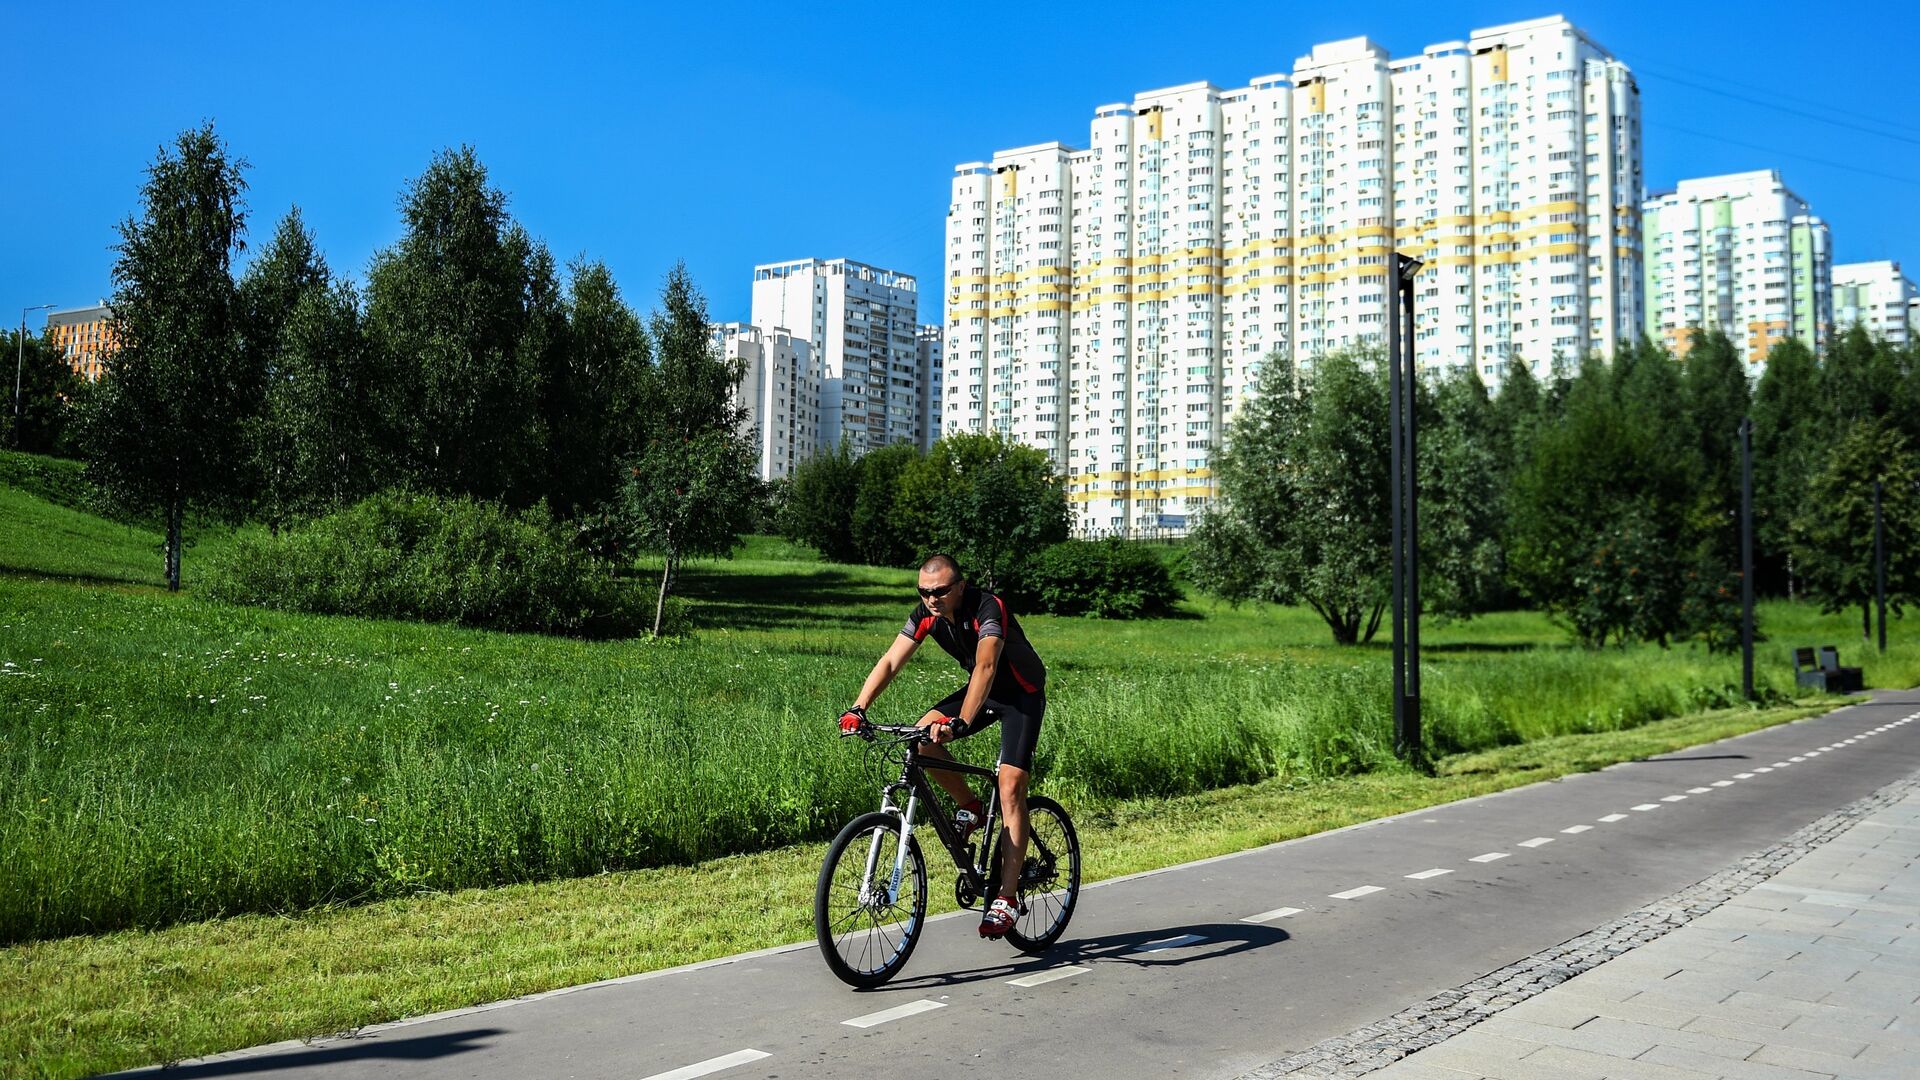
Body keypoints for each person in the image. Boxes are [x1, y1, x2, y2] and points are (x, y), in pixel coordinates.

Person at [838, 553, 1048, 939]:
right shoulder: (925, 615)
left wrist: (960, 723)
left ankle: (1007, 898)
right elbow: (890, 662)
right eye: (924, 591)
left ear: (960, 587)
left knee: (1011, 788)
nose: (931, 598)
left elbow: (986, 666)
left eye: (939, 591)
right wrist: (858, 707)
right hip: (980, 692)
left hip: (1020, 695)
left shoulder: (988, 607)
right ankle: (970, 806)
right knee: (920, 740)